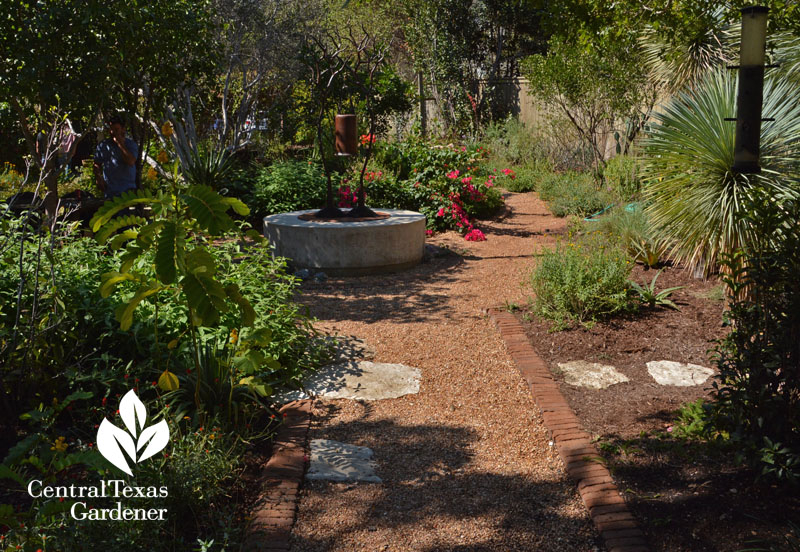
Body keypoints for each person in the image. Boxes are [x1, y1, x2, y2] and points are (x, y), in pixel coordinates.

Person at [94, 114, 138, 198]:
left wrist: (120, 144)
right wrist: (99, 178)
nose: (113, 132)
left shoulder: (131, 145)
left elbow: (131, 161)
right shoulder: (103, 145)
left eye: (116, 129)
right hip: (110, 190)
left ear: (123, 129)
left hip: (127, 189)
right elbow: (97, 163)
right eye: (111, 129)